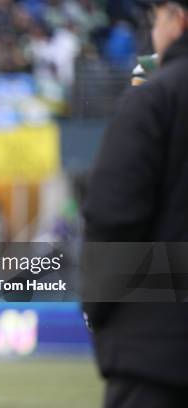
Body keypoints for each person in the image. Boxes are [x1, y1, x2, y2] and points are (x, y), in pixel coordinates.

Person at [82, 1, 188, 407]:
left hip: (160, 345)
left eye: (156, 19)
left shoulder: (155, 95)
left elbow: (114, 216)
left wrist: (100, 304)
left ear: (176, 19)